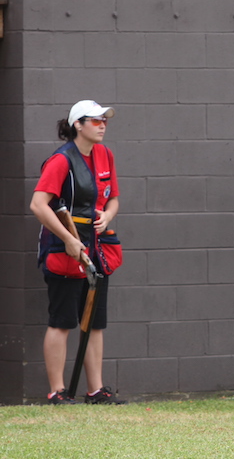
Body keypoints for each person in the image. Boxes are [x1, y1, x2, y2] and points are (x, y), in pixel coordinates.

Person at [30, 100, 126, 405]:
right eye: (95, 120)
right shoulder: (60, 161)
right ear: (78, 125)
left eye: (104, 121)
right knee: (62, 321)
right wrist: (68, 240)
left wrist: (108, 217)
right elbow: (38, 205)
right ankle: (57, 391)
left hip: (97, 249)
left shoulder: (106, 155)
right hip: (65, 248)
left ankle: (95, 390)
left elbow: (113, 200)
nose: (102, 125)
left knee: (95, 321)